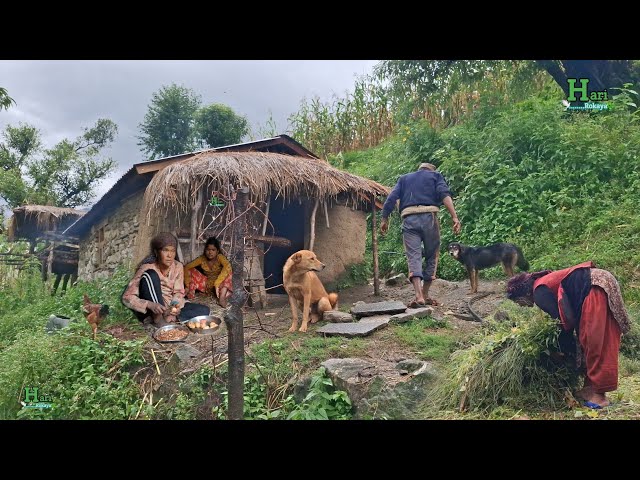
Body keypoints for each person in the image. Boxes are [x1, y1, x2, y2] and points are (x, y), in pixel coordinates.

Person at [506, 261, 631, 409]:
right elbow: (566, 318)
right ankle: (589, 388)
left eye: (518, 302)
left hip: (594, 288)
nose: (520, 305)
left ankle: (599, 397)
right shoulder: (541, 286)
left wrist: (563, 350)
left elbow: (562, 323)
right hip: (595, 285)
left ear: (523, 295)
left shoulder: (539, 291)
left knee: (595, 343)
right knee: (588, 340)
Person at [380, 162, 462, 307]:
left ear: (419, 169)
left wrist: (384, 218)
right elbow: (445, 195)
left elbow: (391, 198)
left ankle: (418, 296)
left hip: (409, 219)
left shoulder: (404, 178)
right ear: (431, 170)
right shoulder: (435, 176)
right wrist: (454, 217)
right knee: (432, 255)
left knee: (413, 256)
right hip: (429, 218)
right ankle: (425, 293)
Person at [122, 232, 210, 327]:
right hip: (154, 308)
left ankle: (171, 318)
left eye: (173, 251)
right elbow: (127, 297)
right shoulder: (146, 268)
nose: (170, 255)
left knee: (204, 310)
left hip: (169, 307)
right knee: (151, 274)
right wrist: (150, 305)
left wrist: (173, 308)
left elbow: (179, 292)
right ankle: (158, 319)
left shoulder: (178, 266)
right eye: (165, 250)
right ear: (156, 252)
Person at [183, 236, 233, 308]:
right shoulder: (202, 258)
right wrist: (187, 285)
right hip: (206, 285)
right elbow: (187, 267)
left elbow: (227, 266)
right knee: (189, 270)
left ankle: (222, 298)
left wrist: (217, 283)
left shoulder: (220, 257)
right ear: (205, 250)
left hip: (219, 288)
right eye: (208, 250)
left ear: (217, 251)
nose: (210, 252)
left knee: (228, 271)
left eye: (213, 250)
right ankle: (190, 295)